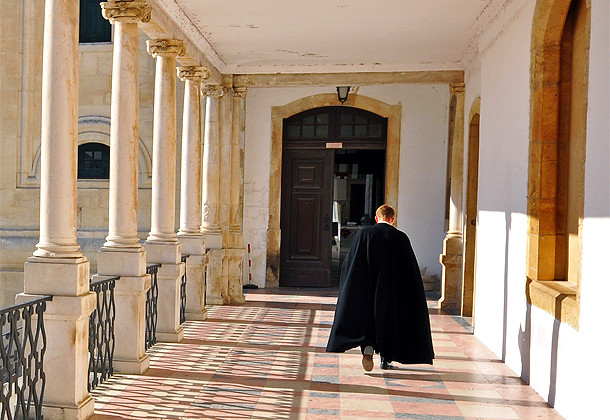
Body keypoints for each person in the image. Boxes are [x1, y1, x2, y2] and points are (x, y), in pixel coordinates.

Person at [326, 204, 434, 371]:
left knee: (367, 316)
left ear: (376, 219)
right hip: (391, 289)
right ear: (392, 219)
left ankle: (367, 347)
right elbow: (409, 268)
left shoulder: (364, 234)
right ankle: (385, 358)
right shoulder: (400, 237)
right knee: (389, 319)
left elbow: (351, 263)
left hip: (366, 287)